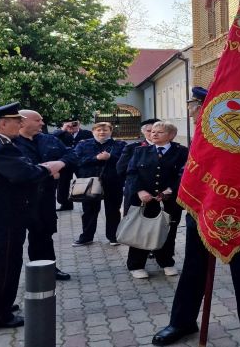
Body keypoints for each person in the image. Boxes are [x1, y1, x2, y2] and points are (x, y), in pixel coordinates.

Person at [152, 90, 240, 347]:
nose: (190, 110)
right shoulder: (201, 132)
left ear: (207, 105)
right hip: (202, 209)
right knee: (193, 270)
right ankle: (182, 323)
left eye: (193, 105)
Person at [0, 102, 65, 329]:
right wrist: (48, 168)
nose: (21, 124)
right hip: (1, 218)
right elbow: (23, 174)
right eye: (17, 121)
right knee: (1, 266)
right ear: (3, 123)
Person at [13, 110, 78, 281]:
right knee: (13, 241)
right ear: (22, 121)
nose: (42, 123)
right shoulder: (10, 142)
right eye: (38, 120)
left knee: (44, 235)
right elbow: (19, 170)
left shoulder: (49, 139)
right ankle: (13, 277)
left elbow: (72, 155)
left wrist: (60, 163)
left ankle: (47, 270)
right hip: (20, 200)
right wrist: (48, 173)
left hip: (45, 199)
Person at [124, 121, 188, 279]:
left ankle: (166, 262)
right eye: (152, 131)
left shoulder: (181, 151)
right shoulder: (141, 151)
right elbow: (132, 173)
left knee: (168, 231)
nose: (154, 134)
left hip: (170, 200)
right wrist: (140, 191)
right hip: (144, 200)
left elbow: (185, 173)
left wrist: (171, 189)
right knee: (142, 230)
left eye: (159, 132)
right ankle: (136, 265)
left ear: (171, 135)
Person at [72, 122, 126, 246]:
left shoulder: (120, 145)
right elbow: (76, 160)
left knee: (113, 210)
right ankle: (86, 237)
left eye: (105, 130)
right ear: (93, 131)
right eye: (99, 130)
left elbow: (125, 162)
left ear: (111, 131)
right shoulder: (83, 144)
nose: (102, 132)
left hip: (113, 182)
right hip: (90, 182)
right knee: (89, 210)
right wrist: (96, 159)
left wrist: (110, 158)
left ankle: (113, 236)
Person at [116, 118, 161, 213]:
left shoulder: (171, 148)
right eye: (149, 131)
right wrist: (138, 189)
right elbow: (122, 170)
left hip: (160, 195)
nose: (153, 134)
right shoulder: (132, 148)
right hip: (136, 194)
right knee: (134, 225)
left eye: (158, 131)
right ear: (143, 132)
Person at [53, 119, 93, 211]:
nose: (73, 126)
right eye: (70, 124)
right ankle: (65, 204)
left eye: (75, 124)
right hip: (66, 162)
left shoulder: (87, 133)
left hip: (81, 162)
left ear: (79, 124)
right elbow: (51, 137)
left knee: (84, 182)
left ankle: (88, 204)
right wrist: (63, 129)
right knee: (63, 184)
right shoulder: (60, 133)